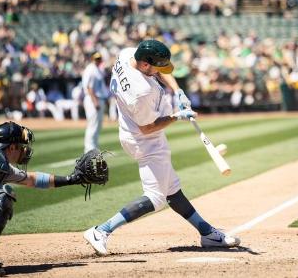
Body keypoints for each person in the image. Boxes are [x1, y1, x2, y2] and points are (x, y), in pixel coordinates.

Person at [83, 39, 240, 256]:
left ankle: (207, 232)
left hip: (133, 131)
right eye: (156, 66)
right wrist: (176, 116)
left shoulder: (129, 54)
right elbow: (148, 127)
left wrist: (177, 91)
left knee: (172, 190)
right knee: (156, 198)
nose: (160, 70)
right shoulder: (141, 92)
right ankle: (101, 230)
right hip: (143, 138)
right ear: (146, 65)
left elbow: (160, 71)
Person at [0, 121, 92, 276]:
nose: (24, 150)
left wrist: (71, 179)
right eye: (21, 146)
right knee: (0, 195)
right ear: (12, 147)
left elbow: (31, 179)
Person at [82, 52, 109, 153]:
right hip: (93, 99)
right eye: (96, 58)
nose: (98, 60)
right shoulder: (91, 69)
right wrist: (95, 102)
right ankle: (89, 149)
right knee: (93, 125)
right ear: (92, 59)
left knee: (97, 125)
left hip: (98, 98)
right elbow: (89, 87)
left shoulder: (97, 69)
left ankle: (94, 148)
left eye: (99, 58)